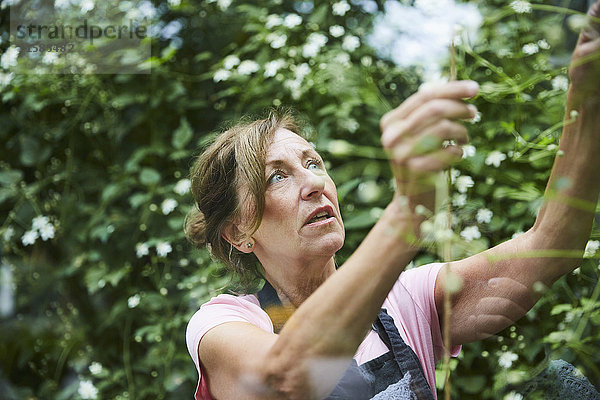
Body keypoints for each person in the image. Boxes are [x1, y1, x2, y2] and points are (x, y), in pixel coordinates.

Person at [185, 2, 600, 399]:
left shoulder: (407, 300)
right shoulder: (224, 323)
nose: (313, 183)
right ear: (239, 232)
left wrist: (587, 98)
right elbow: (285, 379)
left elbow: (553, 246)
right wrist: (408, 212)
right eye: (277, 176)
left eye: (313, 162)